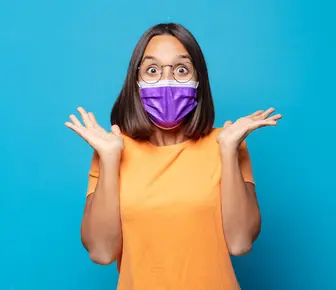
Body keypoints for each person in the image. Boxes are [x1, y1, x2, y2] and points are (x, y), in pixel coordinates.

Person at [64, 23, 281, 290]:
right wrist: (109, 159)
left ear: (198, 80)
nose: (167, 81)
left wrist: (227, 150)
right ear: (136, 81)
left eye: (181, 69)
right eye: (152, 70)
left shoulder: (228, 144)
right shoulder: (112, 150)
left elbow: (240, 243)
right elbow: (101, 252)